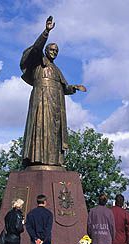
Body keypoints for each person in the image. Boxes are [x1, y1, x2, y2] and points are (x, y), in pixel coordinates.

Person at [20, 15, 86, 167]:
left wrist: (74, 87)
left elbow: (64, 88)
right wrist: (46, 32)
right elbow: (36, 49)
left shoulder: (56, 70)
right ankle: (37, 160)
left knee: (54, 133)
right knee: (40, 128)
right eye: (51, 49)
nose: (54, 52)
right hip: (41, 100)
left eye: (56, 51)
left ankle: (54, 161)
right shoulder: (39, 61)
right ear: (46, 50)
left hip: (56, 105)